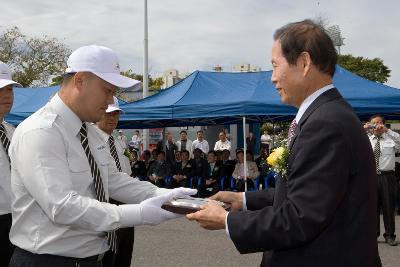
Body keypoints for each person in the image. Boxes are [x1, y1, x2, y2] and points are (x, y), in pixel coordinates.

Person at [187, 20, 378, 266]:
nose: (272, 78)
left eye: (275, 66)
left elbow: (300, 217)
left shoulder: (325, 124)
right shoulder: (325, 115)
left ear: (304, 62)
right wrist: (243, 200)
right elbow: (304, 192)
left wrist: (226, 220)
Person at [8, 45, 196, 267]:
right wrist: (140, 213)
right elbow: (62, 207)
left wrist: (165, 195)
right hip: (47, 260)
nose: (110, 101)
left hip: (90, 259)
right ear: (80, 81)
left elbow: (112, 180)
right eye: (108, 90)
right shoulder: (41, 131)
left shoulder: (88, 132)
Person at [95, 97, 136, 267]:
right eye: (108, 114)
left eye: (116, 114)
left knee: (124, 254)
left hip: (126, 203)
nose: (112, 118)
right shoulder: (91, 141)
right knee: (108, 256)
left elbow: (127, 171)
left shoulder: (119, 142)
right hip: (106, 202)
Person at [364, 115, 399, 246]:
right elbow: (351, 142)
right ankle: (373, 235)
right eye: (373, 123)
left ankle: (390, 235)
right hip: (370, 177)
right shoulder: (365, 139)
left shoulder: (391, 139)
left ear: (383, 125)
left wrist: (388, 131)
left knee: (388, 207)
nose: (377, 125)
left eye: (379, 123)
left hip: (387, 177)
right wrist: (363, 129)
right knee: (372, 207)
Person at [0, 61, 21, 267]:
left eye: (10, 89)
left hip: (19, 218)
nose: (7, 95)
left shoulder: (14, 132)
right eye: (1, 89)